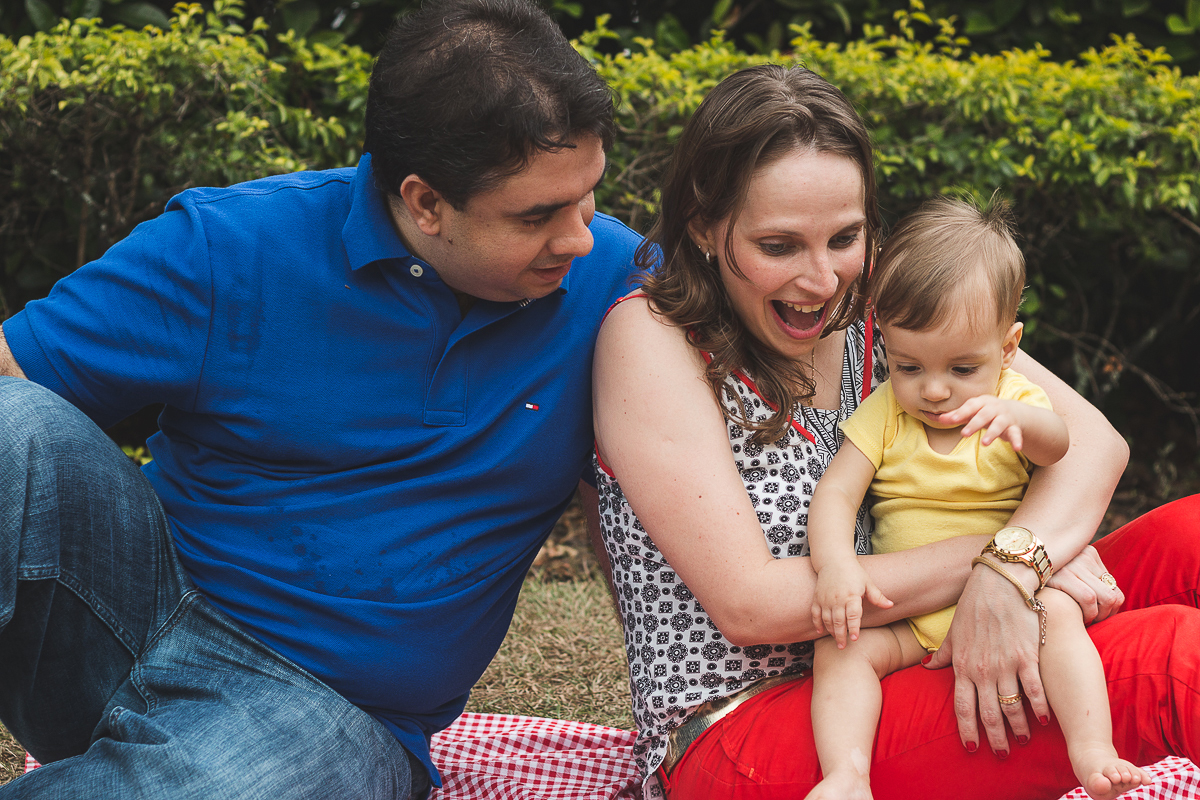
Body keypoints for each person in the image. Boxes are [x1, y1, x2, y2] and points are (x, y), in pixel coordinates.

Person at [0, 0, 641, 796]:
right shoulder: (229, 247)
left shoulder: (617, 288)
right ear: (425, 202)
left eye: (588, 196)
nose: (581, 236)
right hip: (134, 625)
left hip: (333, 709)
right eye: (539, 215)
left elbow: (641, 507)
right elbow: (16, 384)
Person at [591, 63, 1200, 800]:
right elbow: (752, 605)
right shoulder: (652, 339)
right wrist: (998, 562)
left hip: (919, 643)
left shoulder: (875, 310)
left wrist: (1012, 569)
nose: (823, 280)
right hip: (752, 731)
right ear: (705, 228)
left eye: (845, 237)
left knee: (1189, 537)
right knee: (1172, 664)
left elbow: (1096, 442)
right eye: (780, 246)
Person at [805, 196, 1150, 800]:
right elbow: (835, 493)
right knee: (841, 653)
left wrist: (1018, 418)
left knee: (1063, 628)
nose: (934, 390)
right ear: (884, 339)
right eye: (909, 365)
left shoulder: (1016, 400)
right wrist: (836, 566)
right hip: (913, 613)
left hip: (1014, 600)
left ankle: (1093, 750)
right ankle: (847, 774)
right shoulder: (885, 410)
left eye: (963, 368)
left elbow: (1060, 448)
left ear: (1009, 346)